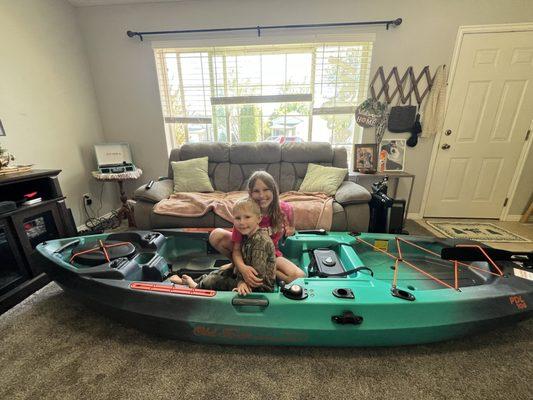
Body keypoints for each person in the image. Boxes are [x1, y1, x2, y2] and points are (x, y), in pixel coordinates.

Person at [209, 171, 305, 288]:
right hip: (245, 252)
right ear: (250, 193)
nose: (261, 195)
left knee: (299, 276)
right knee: (216, 235)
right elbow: (237, 249)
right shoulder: (244, 214)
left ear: (273, 190)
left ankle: (263, 271)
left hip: (270, 255)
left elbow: (291, 217)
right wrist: (242, 268)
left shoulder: (284, 209)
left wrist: (291, 227)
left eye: (266, 189)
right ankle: (237, 265)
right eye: (256, 191)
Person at [170, 197, 276, 295]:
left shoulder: (260, 241)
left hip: (258, 287)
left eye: (247, 217)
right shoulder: (247, 235)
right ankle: (196, 281)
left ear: (259, 218)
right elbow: (240, 257)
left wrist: (241, 282)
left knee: (214, 281)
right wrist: (238, 272)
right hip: (245, 276)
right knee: (221, 272)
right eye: (237, 218)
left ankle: (195, 286)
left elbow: (257, 276)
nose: (242, 222)